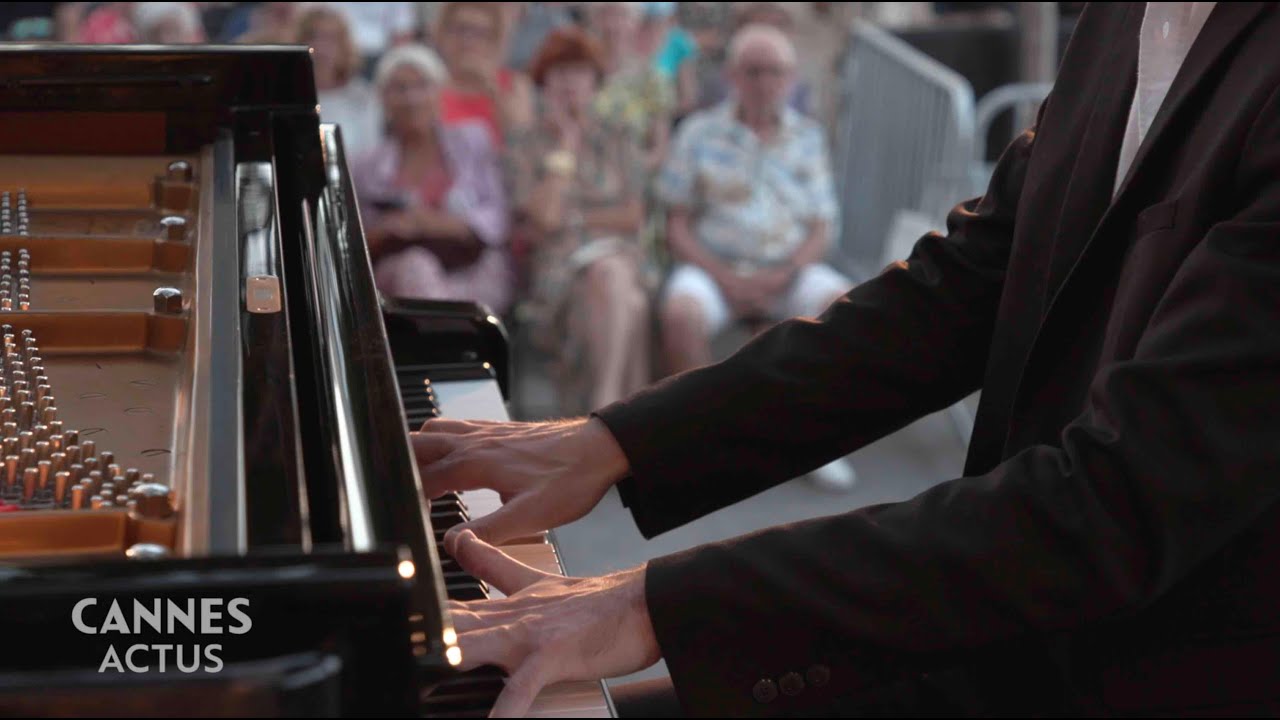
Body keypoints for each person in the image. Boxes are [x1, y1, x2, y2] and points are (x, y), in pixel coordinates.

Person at [414, 2, 1280, 716]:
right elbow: (959, 290)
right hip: (1000, 616)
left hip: (1162, 666)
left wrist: (647, 606)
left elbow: (1118, 505)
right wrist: (614, 441)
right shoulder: (1124, 17)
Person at [657, 25, 857, 491]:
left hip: (787, 268)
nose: (765, 81)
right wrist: (724, 276)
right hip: (714, 264)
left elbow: (822, 226)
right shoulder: (699, 132)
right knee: (680, 312)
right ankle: (709, 441)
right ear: (732, 76)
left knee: (844, 305)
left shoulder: (808, 136)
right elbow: (677, 225)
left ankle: (815, 440)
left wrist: (782, 275)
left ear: (791, 78)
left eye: (775, 71)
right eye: (753, 71)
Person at [508, 27, 649, 414]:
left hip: (617, 256)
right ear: (543, 82)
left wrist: (575, 218)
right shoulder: (526, 143)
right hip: (558, 270)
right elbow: (545, 218)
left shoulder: (619, 137)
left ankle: (601, 405)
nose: (570, 82)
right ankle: (621, 411)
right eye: (560, 72)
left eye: (580, 71)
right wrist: (565, 147)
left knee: (609, 275)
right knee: (627, 300)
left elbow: (633, 216)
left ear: (596, 81)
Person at [353, 44, 512, 315]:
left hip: (470, 262)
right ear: (383, 98)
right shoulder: (365, 165)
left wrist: (436, 224)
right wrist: (391, 228)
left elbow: (497, 216)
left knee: (481, 275)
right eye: (399, 88)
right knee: (416, 265)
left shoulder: (473, 140)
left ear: (439, 92)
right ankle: (449, 346)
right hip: (401, 271)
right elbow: (355, 242)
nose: (411, 98)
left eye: (422, 86)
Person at [587, 1, 674, 173]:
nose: (612, 25)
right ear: (593, 21)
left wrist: (632, 172)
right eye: (604, 15)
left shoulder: (652, 77)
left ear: (635, 23)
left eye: (620, 16)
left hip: (633, 173)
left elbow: (660, 150)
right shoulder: (581, 71)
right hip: (585, 171)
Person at [434, 2, 535, 147]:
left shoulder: (515, 85)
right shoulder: (427, 83)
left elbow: (522, 138)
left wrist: (492, 88)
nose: (467, 41)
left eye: (479, 33)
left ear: (495, 40)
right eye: (460, 29)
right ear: (442, 34)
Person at [293, 4, 382, 159]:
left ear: (344, 45)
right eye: (314, 37)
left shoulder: (362, 96)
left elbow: (371, 150)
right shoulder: (289, 95)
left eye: (331, 38)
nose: (321, 47)